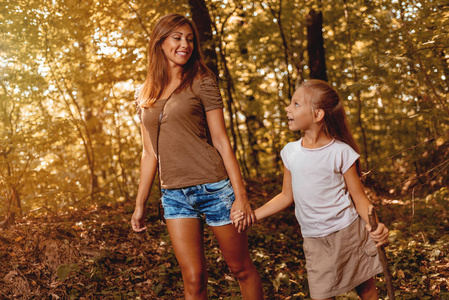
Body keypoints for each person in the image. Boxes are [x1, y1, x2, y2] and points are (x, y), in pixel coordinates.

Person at [130, 13, 263, 300]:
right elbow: (149, 153)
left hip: (214, 187)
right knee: (193, 279)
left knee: (240, 268)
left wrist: (240, 195)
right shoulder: (145, 94)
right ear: (160, 42)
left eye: (189, 39)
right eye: (177, 38)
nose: (184, 44)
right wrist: (140, 204)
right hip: (174, 195)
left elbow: (221, 140)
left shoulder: (202, 80)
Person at [232, 79, 389, 300]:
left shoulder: (341, 153)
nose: (288, 108)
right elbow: (287, 196)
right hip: (314, 240)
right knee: (321, 295)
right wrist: (254, 216)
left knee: (366, 291)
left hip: (348, 232)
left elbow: (360, 199)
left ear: (318, 115)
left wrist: (376, 224)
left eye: (296, 104)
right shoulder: (290, 152)